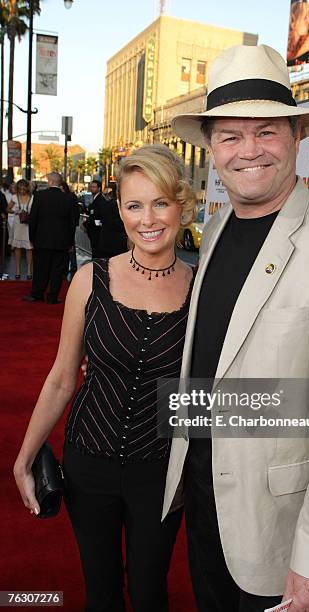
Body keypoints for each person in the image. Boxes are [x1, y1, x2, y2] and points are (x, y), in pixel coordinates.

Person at [163, 44, 309, 612]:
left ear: (296, 137)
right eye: (230, 137)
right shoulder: (214, 231)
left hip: (276, 526)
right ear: (212, 148)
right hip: (203, 497)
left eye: (265, 132)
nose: (249, 152)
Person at [14, 145, 196, 611]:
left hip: (161, 469)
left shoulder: (201, 288)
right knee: (102, 591)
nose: (148, 219)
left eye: (160, 202)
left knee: (150, 589)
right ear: (120, 210)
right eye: (134, 205)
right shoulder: (90, 280)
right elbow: (61, 378)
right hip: (87, 462)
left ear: (182, 205)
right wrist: (25, 456)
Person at [23, 172, 77, 304]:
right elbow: (73, 222)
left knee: (41, 268)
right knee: (57, 270)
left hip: (42, 239)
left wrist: (32, 237)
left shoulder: (40, 196)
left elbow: (33, 218)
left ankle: (37, 294)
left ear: (51, 182)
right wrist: (70, 241)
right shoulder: (69, 198)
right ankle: (52, 296)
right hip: (62, 241)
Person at [7, 179, 34, 280]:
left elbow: (36, 211)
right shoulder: (14, 197)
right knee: (17, 247)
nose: (22, 191)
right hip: (18, 225)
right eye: (20, 189)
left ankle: (29, 271)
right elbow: (7, 209)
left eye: (24, 189)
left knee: (29, 248)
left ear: (27, 188)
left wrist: (30, 214)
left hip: (28, 225)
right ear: (17, 189)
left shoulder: (32, 198)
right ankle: (17, 270)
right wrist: (15, 212)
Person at [61, 181, 81, 277]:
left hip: (68, 225)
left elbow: (74, 212)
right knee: (70, 246)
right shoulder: (71, 197)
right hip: (70, 224)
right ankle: (72, 266)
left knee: (70, 246)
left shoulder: (68, 197)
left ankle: (71, 266)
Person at [83, 179, 105, 258]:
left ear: (99, 188)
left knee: (97, 252)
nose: (92, 188)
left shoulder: (100, 200)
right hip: (93, 230)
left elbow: (96, 216)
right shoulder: (94, 198)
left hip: (97, 231)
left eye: (94, 187)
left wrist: (85, 224)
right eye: (91, 187)